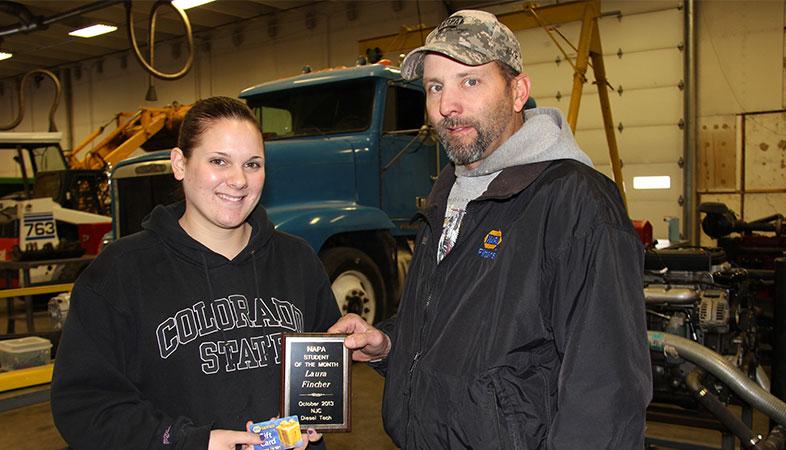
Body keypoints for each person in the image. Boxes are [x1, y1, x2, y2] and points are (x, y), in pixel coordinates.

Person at [329, 9, 652, 449]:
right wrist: (388, 344)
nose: (447, 105)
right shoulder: (447, 195)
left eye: (470, 81)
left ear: (518, 91)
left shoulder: (575, 202)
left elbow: (606, 391)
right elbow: (454, 329)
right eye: (435, 87)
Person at [51, 97, 340, 449]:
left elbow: (320, 377)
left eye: (253, 164)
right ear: (179, 163)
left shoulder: (298, 261)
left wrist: (314, 420)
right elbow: (85, 407)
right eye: (219, 161)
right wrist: (186, 441)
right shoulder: (119, 274)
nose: (238, 180)